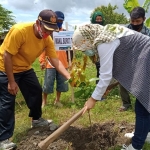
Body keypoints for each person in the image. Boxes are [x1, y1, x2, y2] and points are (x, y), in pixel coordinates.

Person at [72, 23, 150, 150]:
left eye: (83, 47)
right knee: (145, 102)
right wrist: (108, 87)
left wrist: (93, 99)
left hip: (147, 58)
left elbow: (106, 75)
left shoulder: (104, 42)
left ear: (87, 39)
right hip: (145, 57)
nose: (85, 51)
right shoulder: (107, 33)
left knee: (143, 105)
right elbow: (115, 66)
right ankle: (146, 134)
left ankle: (136, 146)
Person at [0, 9, 70, 149]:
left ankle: (36, 120)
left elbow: (55, 60)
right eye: (46, 29)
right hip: (4, 67)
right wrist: (12, 81)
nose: (48, 33)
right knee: (7, 101)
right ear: (38, 23)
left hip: (25, 68)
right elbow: (7, 55)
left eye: (51, 30)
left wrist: (69, 77)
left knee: (36, 91)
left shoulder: (47, 39)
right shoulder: (20, 31)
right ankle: (3, 139)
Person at [119, 6, 150, 111]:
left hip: (142, 62)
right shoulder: (124, 31)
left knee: (142, 85)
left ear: (144, 19)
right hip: (127, 60)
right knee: (122, 82)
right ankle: (126, 104)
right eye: (133, 21)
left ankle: (141, 103)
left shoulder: (148, 33)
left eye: (138, 21)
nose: (135, 23)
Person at [39, 11, 69, 108]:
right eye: (58, 20)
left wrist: (70, 62)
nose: (59, 22)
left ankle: (57, 100)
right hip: (50, 63)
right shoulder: (49, 33)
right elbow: (43, 48)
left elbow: (70, 50)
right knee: (48, 83)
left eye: (61, 20)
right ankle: (44, 101)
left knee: (61, 83)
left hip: (63, 63)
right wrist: (42, 60)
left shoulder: (65, 33)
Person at [91, 11, 104, 84]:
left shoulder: (104, 28)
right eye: (97, 19)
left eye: (100, 19)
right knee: (99, 71)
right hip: (96, 54)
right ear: (94, 19)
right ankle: (99, 88)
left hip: (104, 53)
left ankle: (104, 88)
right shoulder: (91, 30)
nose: (99, 21)